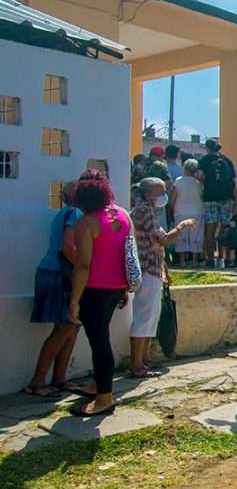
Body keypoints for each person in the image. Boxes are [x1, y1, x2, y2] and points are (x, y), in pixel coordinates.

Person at [66, 169, 133, 417]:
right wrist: (125, 287)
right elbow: (127, 254)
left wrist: (74, 299)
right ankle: (98, 385)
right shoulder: (124, 216)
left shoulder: (86, 222)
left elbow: (83, 264)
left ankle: (105, 398)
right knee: (100, 339)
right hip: (117, 287)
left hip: (94, 289)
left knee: (99, 342)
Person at [130, 178, 196, 377]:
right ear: (149, 194)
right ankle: (136, 365)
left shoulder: (146, 211)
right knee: (144, 317)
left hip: (153, 267)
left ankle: (143, 361)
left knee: (150, 318)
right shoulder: (144, 211)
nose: (163, 196)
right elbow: (163, 239)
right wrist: (182, 227)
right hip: (147, 268)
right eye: (160, 192)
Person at [25, 181, 82, 397]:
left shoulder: (63, 213)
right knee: (65, 327)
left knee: (71, 326)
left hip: (52, 271)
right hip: (60, 273)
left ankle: (59, 379)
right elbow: (67, 247)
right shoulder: (75, 213)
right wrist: (84, 270)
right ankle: (37, 381)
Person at [196, 138, 236, 269]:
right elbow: (233, 179)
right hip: (227, 197)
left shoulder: (204, 160)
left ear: (207, 148)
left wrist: (204, 184)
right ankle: (225, 258)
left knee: (210, 228)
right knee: (225, 227)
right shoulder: (227, 160)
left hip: (210, 197)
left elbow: (200, 176)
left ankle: (210, 258)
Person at [171, 159, 205, 267]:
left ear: (184, 168)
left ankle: (182, 261)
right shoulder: (198, 182)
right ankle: (195, 260)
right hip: (197, 210)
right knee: (196, 235)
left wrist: (172, 208)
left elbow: (174, 197)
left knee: (181, 234)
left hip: (180, 210)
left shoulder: (178, 180)